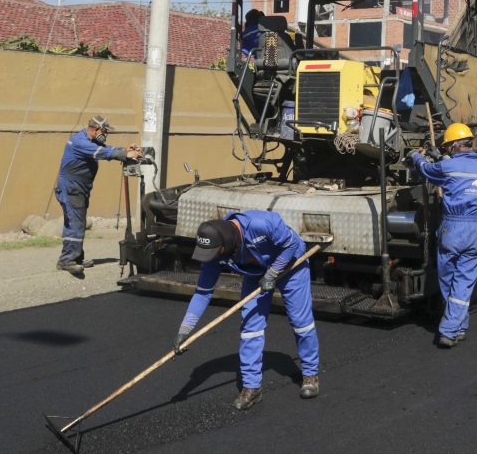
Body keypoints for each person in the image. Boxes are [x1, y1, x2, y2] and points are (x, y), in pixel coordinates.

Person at [174, 211, 320, 408]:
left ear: (225, 244)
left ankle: (310, 374)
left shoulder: (262, 224)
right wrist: (185, 330)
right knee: (251, 328)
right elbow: (202, 293)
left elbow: (291, 243)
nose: (211, 258)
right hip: (256, 273)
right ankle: (252, 387)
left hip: (292, 264)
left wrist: (273, 273)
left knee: (300, 322)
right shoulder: (215, 253)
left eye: (214, 253)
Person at [409, 123, 477, 348]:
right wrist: (443, 158)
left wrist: (415, 157)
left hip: (453, 229)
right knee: (462, 282)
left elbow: (427, 170)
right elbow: (458, 171)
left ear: (454, 146)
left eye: (448, 148)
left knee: (449, 280)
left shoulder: (448, 168)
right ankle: (460, 325)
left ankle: (448, 330)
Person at [55, 115, 141, 276]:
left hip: (78, 189)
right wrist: (125, 156)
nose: (106, 134)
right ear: (95, 129)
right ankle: (67, 261)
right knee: (76, 224)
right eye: (105, 131)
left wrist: (125, 150)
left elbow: (107, 149)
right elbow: (102, 153)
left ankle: (75, 257)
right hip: (71, 189)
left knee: (75, 223)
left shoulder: (89, 140)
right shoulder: (80, 142)